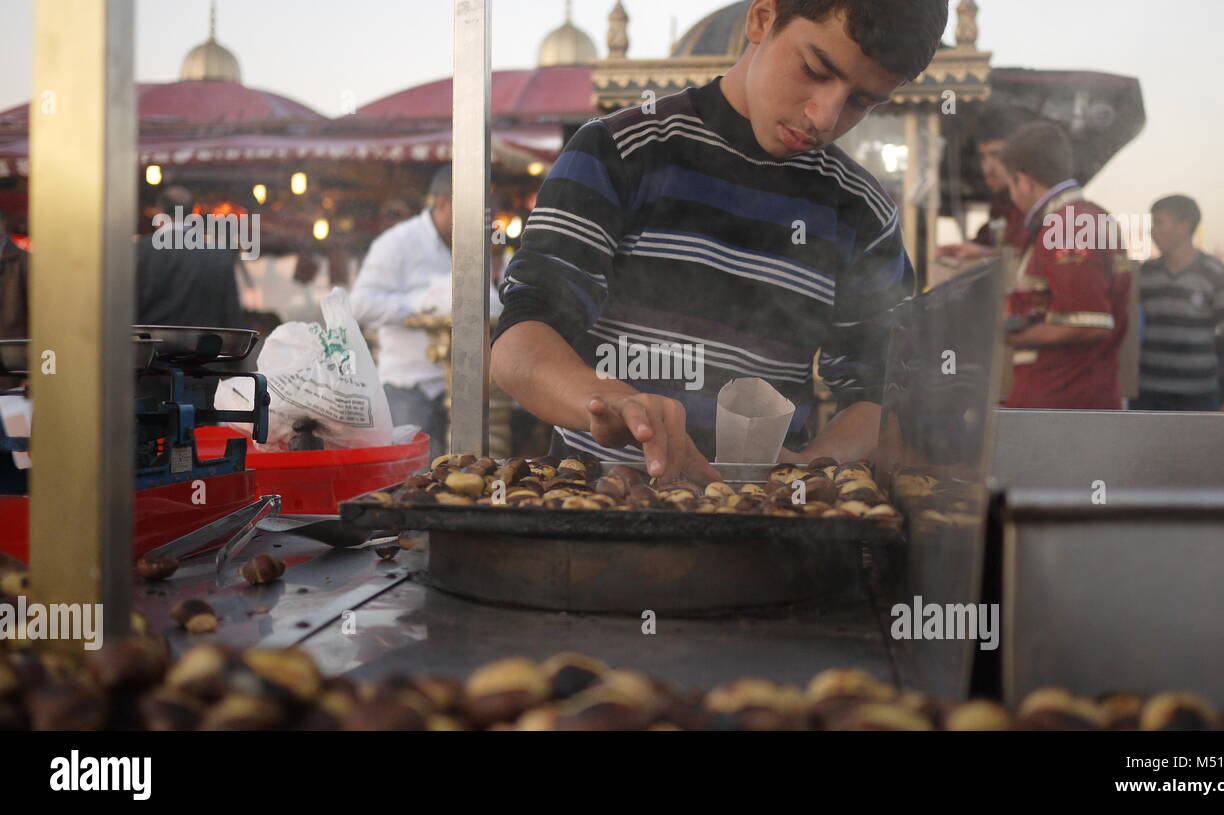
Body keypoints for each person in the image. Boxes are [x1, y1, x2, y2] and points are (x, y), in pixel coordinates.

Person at [491, 0, 949, 482]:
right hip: (596, 503)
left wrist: (806, 464)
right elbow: (521, 342)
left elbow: (882, 391)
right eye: (814, 69)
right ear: (762, 17)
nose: (825, 116)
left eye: (862, 101)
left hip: (767, 522)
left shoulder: (861, 212)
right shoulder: (619, 152)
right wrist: (613, 401)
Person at [350, 165, 502, 455]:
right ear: (442, 202)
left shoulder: (478, 246)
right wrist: (420, 305)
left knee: (464, 474)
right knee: (412, 478)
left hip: (467, 388)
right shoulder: (397, 243)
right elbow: (360, 305)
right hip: (410, 386)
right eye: (472, 209)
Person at [1000, 121, 1130, 410]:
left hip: (1061, 405)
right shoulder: (1079, 217)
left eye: (1010, 185)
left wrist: (1003, 334)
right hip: (1069, 400)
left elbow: (1089, 322)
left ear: (1023, 182)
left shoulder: (1068, 224)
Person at [1133, 195, 1224, 412]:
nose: (1152, 230)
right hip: (1147, 397)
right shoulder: (1144, 274)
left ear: (1183, 227)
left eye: (1159, 222)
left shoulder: (1218, 274)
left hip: (1198, 398)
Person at [135, 186, 245, 329]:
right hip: (204, 350)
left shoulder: (137, 251)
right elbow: (231, 318)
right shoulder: (220, 255)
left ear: (159, 212)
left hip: (149, 348)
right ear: (193, 213)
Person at [938, 105, 1035, 261]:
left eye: (996, 154)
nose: (987, 168)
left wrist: (984, 253)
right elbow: (987, 241)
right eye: (983, 157)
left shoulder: (1033, 203)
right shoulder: (1000, 204)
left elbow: (1034, 254)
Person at [0, 209, 29, 391]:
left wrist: (39, 374)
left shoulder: (26, 263)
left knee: (13, 418)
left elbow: (45, 324)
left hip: (14, 377)